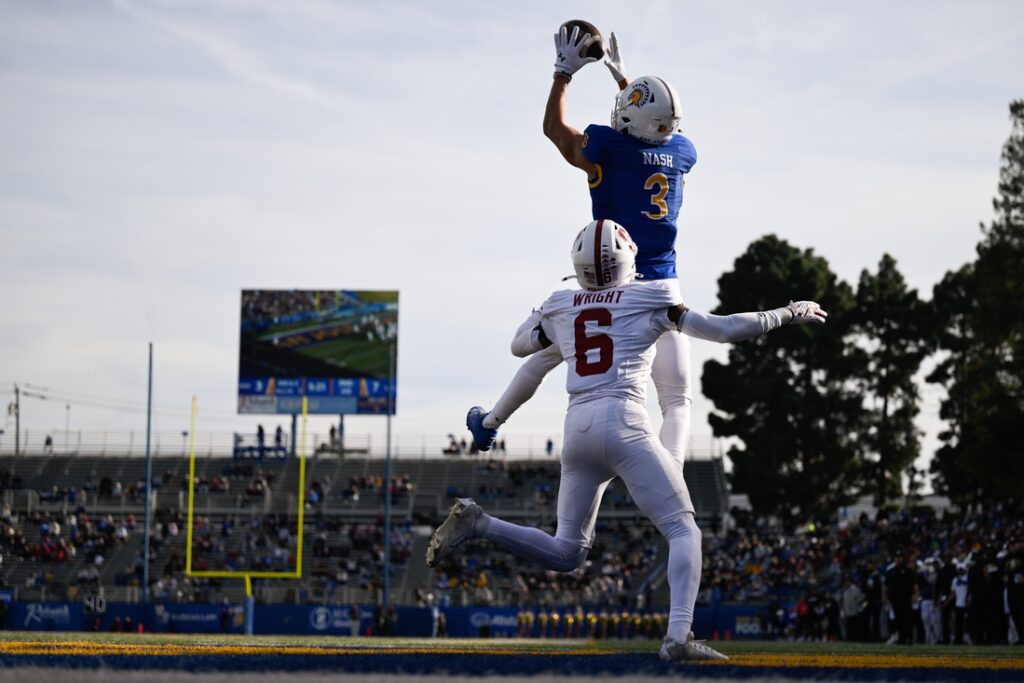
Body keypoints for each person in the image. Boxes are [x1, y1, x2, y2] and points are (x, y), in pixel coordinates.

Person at [428, 220, 827, 663]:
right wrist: (789, 312)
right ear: (628, 256)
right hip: (625, 421)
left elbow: (521, 349)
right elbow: (725, 329)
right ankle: (678, 635)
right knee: (682, 528)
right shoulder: (650, 294)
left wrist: (539, 319)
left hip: (578, 428)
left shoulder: (562, 304)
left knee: (567, 552)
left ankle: (481, 524)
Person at [469, 28, 700, 468]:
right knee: (676, 399)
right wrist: (628, 87)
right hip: (664, 290)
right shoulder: (684, 152)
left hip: (609, 282)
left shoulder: (606, 147)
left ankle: (493, 418)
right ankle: (672, 471)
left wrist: (563, 74)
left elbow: (554, 129)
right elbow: (653, 137)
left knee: (549, 350)